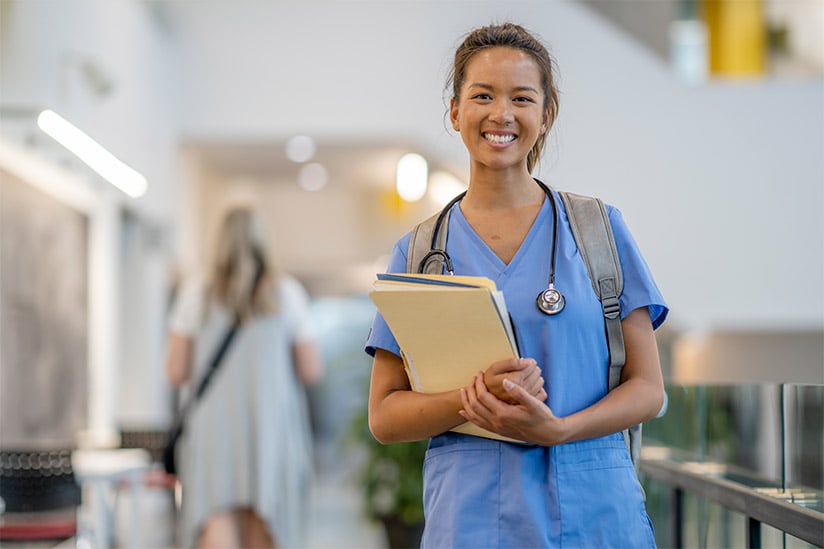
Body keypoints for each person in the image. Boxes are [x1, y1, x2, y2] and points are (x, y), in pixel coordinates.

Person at [365, 22, 668, 548]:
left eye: (521, 98)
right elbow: (385, 416)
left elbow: (648, 389)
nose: (501, 114)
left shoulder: (597, 229)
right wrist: (476, 399)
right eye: (482, 95)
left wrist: (559, 431)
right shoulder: (420, 252)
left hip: (595, 511)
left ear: (545, 114)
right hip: (471, 516)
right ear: (455, 111)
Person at [166, 206, 322, 549]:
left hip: (213, 432)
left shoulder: (196, 294)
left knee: (216, 514)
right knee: (266, 518)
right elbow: (311, 370)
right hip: (269, 430)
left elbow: (176, 372)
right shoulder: (286, 294)